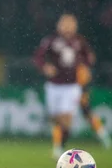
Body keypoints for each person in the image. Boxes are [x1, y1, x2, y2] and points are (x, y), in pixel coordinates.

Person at [33, 14, 99, 158]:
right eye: (65, 23)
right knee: (55, 118)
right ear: (59, 25)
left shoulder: (79, 41)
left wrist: (86, 68)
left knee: (66, 117)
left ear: (75, 26)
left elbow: (89, 58)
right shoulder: (50, 41)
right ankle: (58, 144)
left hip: (72, 86)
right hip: (53, 85)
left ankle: (59, 147)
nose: (67, 27)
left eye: (70, 24)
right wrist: (45, 67)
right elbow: (38, 57)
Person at [77, 55, 110, 149]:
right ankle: (59, 144)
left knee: (88, 115)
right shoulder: (80, 67)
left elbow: (85, 84)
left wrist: (83, 95)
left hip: (79, 95)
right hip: (73, 94)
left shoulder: (81, 68)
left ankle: (104, 137)